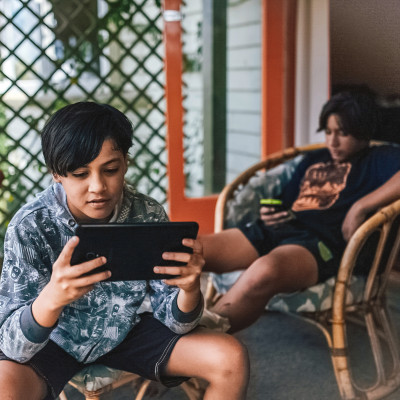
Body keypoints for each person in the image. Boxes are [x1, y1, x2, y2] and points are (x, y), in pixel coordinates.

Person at [0, 102, 249, 400]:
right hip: (54, 339)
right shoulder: (30, 227)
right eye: (80, 174)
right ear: (57, 174)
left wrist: (189, 289)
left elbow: (175, 322)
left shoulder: (147, 214)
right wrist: (51, 299)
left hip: (128, 330)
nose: (98, 187)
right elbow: (12, 345)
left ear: (126, 162)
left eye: (111, 169)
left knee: (231, 359)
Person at [200, 91, 400, 333]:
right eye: (328, 131)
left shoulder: (377, 159)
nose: (332, 142)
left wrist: (361, 205)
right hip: (277, 229)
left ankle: (204, 338)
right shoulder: (313, 159)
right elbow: (288, 201)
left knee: (265, 270)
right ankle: (162, 321)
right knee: (191, 249)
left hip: (318, 244)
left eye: (343, 133)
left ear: (363, 132)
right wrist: (270, 214)